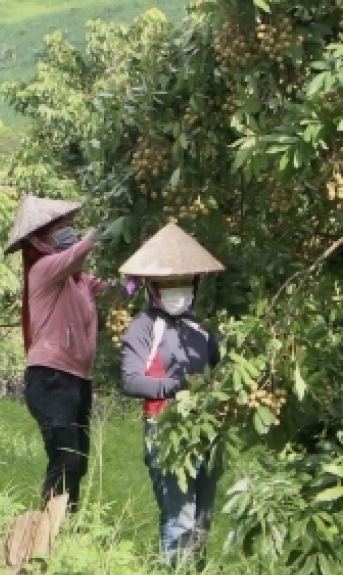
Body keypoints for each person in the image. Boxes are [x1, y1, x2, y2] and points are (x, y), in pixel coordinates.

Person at [118, 222, 226, 569]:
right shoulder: (144, 326)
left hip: (207, 430)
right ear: (153, 286)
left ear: (194, 284)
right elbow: (130, 381)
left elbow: (220, 371)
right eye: (168, 284)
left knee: (202, 520)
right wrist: (174, 386)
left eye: (183, 283)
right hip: (165, 429)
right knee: (179, 519)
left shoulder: (201, 328)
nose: (176, 290)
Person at [5, 194, 108, 510]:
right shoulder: (43, 269)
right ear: (39, 239)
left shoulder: (80, 281)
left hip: (78, 380)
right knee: (65, 457)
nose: (68, 232)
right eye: (59, 227)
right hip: (51, 378)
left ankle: (65, 524)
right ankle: (46, 525)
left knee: (78, 460)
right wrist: (102, 230)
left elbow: (116, 286)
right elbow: (78, 252)